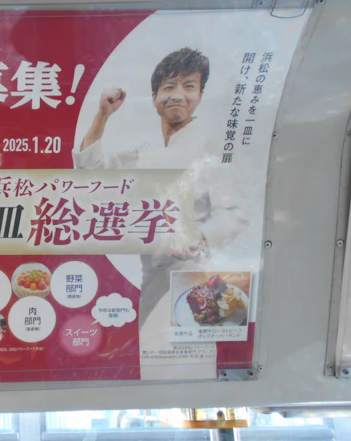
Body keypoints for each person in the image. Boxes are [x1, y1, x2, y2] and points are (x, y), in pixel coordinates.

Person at [72, 48, 248, 326]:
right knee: (151, 345)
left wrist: (200, 237)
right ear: (154, 97)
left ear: (200, 95)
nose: (177, 95)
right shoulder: (147, 149)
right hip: (152, 274)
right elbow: (92, 171)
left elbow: (235, 213)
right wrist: (103, 115)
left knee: (179, 343)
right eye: (169, 87)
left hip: (193, 270)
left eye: (188, 86)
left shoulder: (212, 148)